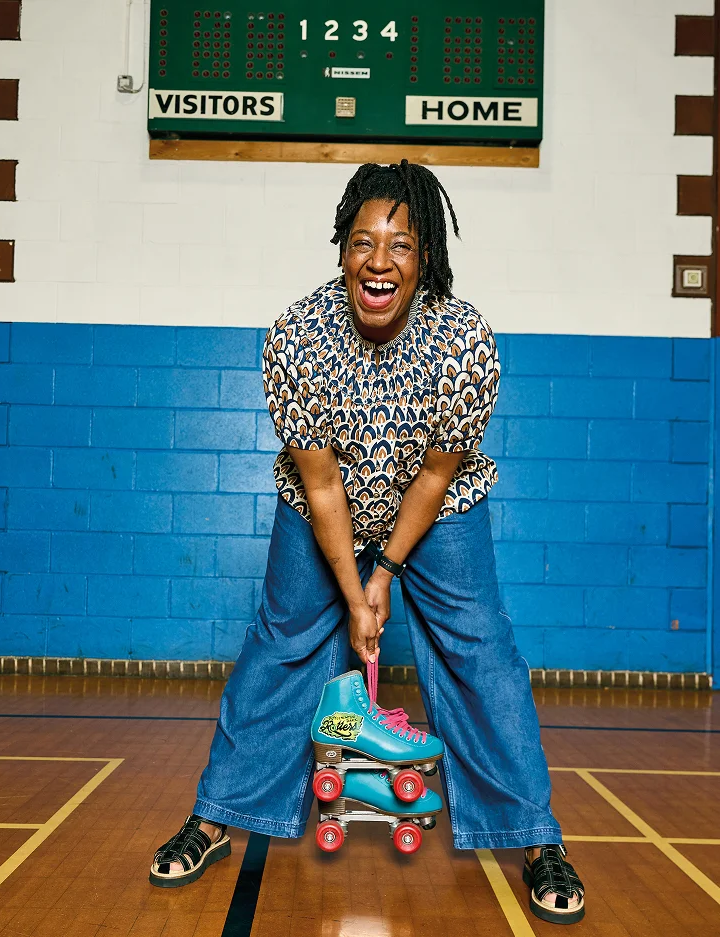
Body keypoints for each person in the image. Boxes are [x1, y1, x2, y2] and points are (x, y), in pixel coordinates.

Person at [149, 160, 585, 925]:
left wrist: (385, 571)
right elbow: (321, 488)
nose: (378, 261)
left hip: (436, 501)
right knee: (282, 640)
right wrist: (355, 595)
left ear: (427, 260)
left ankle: (532, 835)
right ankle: (216, 814)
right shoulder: (296, 338)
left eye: (401, 245)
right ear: (341, 250)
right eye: (362, 242)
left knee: (483, 649)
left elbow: (437, 473)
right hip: (326, 504)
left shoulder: (464, 341)